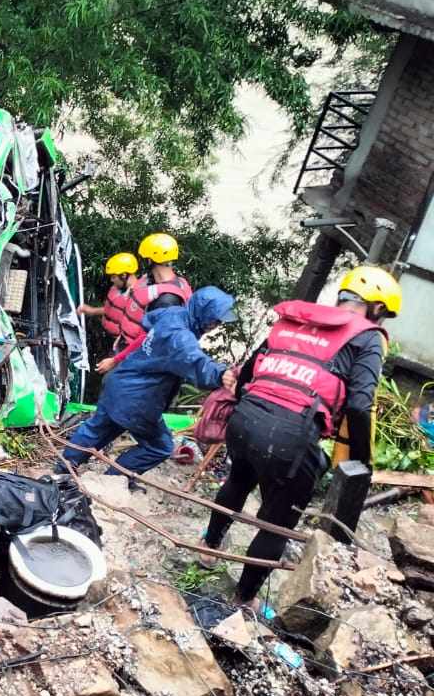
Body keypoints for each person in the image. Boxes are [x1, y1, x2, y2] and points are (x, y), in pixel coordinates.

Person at [200, 265, 401, 608]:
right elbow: (358, 403)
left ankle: (208, 548)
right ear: (378, 308)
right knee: (280, 519)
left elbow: (249, 370)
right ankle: (242, 599)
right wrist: (362, 458)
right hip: (289, 434)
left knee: (238, 478)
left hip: (245, 416)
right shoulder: (369, 337)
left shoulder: (295, 319)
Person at [59, 286, 237, 484]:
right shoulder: (180, 336)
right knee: (159, 446)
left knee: (97, 429)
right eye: (215, 318)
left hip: (120, 383)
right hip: (138, 399)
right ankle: (114, 480)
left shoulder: (174, 314)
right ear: (203, 313)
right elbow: (195, 361)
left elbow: (148, 319)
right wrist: (220, 374)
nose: (217, 324)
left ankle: (62, 470)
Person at [96, 233, 193, 375]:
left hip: (140, 361)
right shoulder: (151, 280)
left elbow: (148, 339)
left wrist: (115, 360)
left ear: (151, 260)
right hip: (127, 347)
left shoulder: (167, 300)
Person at [77, 253, 140, 351]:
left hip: (124, 346)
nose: (111, 280)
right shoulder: (120, 289)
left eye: (114, 277)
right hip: (111, 340)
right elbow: (113, 310)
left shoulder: (138, 297)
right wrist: (92, 311)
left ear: (124, 275)